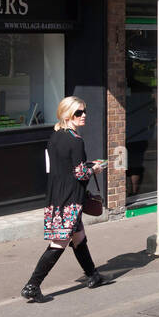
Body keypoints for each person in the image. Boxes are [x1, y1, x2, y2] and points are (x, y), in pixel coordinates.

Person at [21, 96, 107, 302]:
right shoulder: (76, 140)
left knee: (78, 237)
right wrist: (94, 168)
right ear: (67, 114)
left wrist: (85, 165)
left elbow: (60, 167)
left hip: (56, 194)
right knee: (59, 241)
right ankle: (32, 285)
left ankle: (93, 275)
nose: (83, 115)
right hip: (69, 198)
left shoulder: (55, 136)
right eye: (78, 112)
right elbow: (79, 173)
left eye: (84, 111)